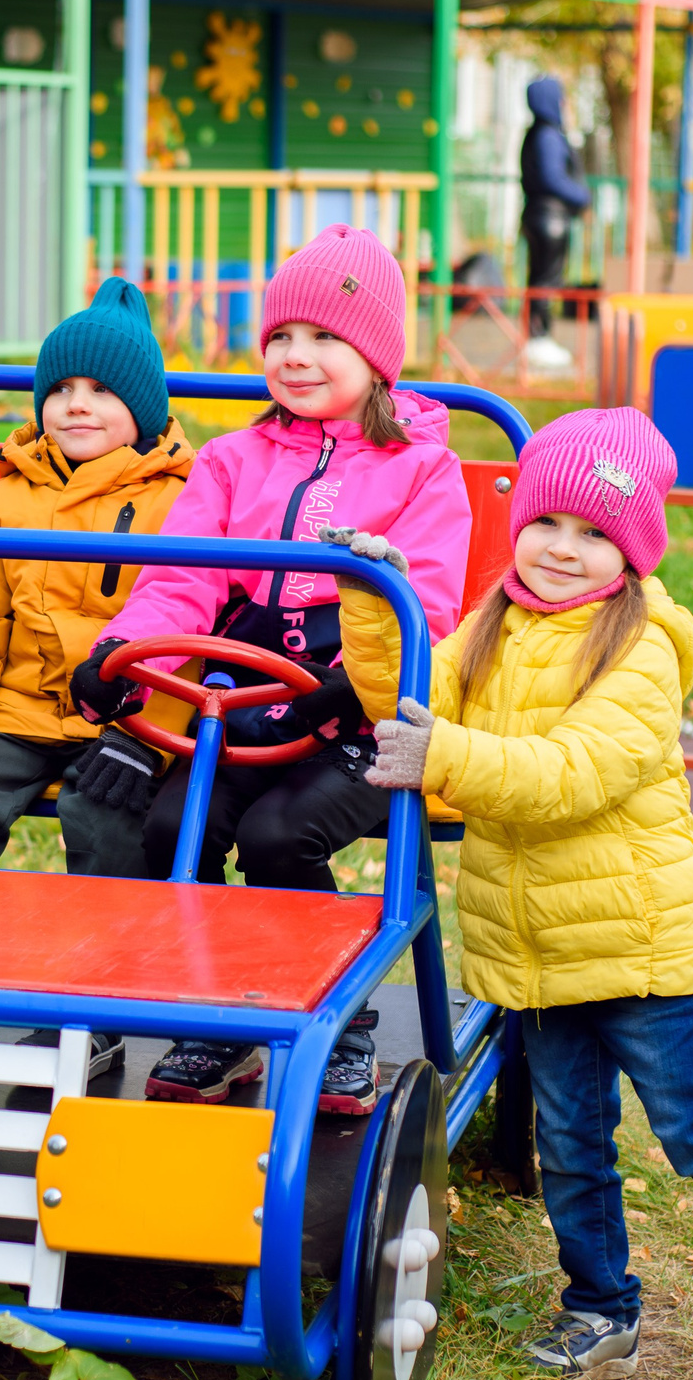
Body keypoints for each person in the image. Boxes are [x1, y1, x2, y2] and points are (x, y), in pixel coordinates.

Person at [326, 407, 693, 1380]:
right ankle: (599, 1302)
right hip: (535, 944)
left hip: (636, 946)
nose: (561, 548)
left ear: (630, 552)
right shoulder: (493, 621)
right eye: (547, 521)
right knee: (572, 1140)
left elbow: (570, 775)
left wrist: (443, 758)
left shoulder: (641, 648)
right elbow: (406, 698)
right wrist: (375, 602)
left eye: (593, 533)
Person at [69, 223, 472, 1116]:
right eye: (282, 337)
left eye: (326, 338)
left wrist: (358, 678)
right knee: (173, 820)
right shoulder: (231, 461)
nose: (296, 356)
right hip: (248, 705)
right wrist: (121, 661)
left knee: (283, 837)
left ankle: (345, 1026)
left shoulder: (424, 472)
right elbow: (181, 581)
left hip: (366, 718)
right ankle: (222, 1017)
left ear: (377, 359)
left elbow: (432, 603)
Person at [0, 277, 197, 1060]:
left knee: (103, 819)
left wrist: (150, 734)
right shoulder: (3, 501)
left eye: (101, 389)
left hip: (126, 714)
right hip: (22, 710)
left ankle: (92, 1005)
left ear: (144, 405)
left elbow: (193, 629)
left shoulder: (182, 502)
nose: (76, 404)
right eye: (60, 388)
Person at [519, 74, 592, 372]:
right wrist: (583, 196)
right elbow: (553, 178)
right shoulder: (548, 136)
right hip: (550, 218)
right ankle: (539, 339)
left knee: (543, 278)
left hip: (542, 216)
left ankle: (539, 339)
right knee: (546, 280)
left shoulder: (539, 134)